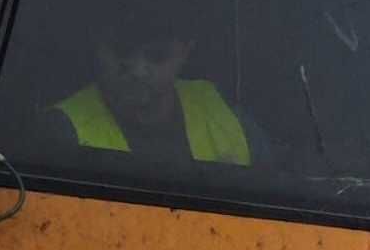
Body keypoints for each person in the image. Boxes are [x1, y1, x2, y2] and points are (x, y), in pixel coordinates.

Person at [43, 18, 265, 167]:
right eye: (123, 52)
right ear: (96, 45)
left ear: (185, 53)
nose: (138, 70)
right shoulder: (60, 132)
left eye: (157, 55)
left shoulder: (226, 115)